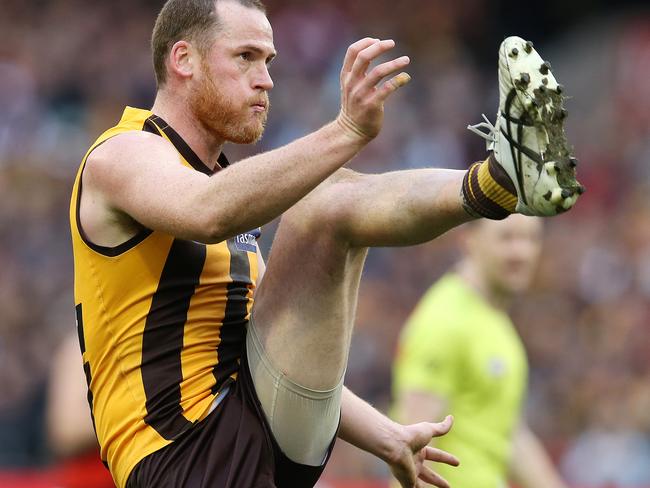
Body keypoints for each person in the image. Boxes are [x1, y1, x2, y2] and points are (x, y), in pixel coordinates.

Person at [69, 0, 582, 487]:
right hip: (183, 453)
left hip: (250, 434)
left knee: (329, 201)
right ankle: (501, 181)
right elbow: (206, 211)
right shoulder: (122, 154)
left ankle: (499, 182)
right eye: (245, 57)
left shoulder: (223, 192)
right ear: (183, 59)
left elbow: (271, 345)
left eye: (268, 60)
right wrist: (346, 131)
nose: (265, 79)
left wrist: (388, 437)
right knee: (322, 203)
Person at [391, 215, 569, 488]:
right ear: (468, 241)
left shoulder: (494, 319)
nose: (521, 252)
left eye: (531, 238)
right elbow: (412, 446)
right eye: (507, 238)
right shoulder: (445, 319)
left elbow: (508, 432)